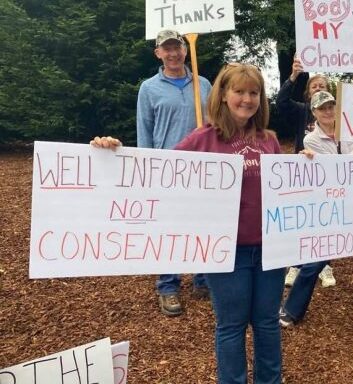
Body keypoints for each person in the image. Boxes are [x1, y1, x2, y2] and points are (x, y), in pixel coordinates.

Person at [96, 63, 284, 382]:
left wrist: (308, 164)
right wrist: (111, 154)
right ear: (223, 95)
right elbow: (158, 171)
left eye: (254, 92)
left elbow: (285, 190)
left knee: (267, 323)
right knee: (232, 325)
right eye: (239, 91)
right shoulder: (203, 139)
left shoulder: (269, 140)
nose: (247, 99)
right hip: (226, 253)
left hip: (271, 250)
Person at [278, 91, 353, 333]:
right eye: (322, 108)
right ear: (314, 113)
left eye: (331, 106)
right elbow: (338, 170)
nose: (328, 112)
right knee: (314, 262)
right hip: (331, 209)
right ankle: (291, 310)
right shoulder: (311, 140)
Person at [276, 56, 353, 288]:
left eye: (323, 86)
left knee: (325, 219)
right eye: (314, 86)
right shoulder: (301, 111)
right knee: (304, 219)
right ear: (308, 93)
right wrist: (293, 76)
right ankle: (297, 265)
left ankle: (324, 264)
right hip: (306, 172)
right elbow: (281, 102)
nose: (318, 88)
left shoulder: (341, 118)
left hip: (335, 175)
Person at [136, 29, 213, 316]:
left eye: (177, 47)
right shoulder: (149, 88)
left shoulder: (203, 84)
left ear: (184, 49)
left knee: (203, 225)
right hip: (168, 168)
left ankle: (204, 279)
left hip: (203, 167)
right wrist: (148, 168)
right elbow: (144, 130)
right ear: (158, 53)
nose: (173, 53)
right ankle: (168, 286)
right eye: (166, 48)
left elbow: (215, 124)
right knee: (168, 229)